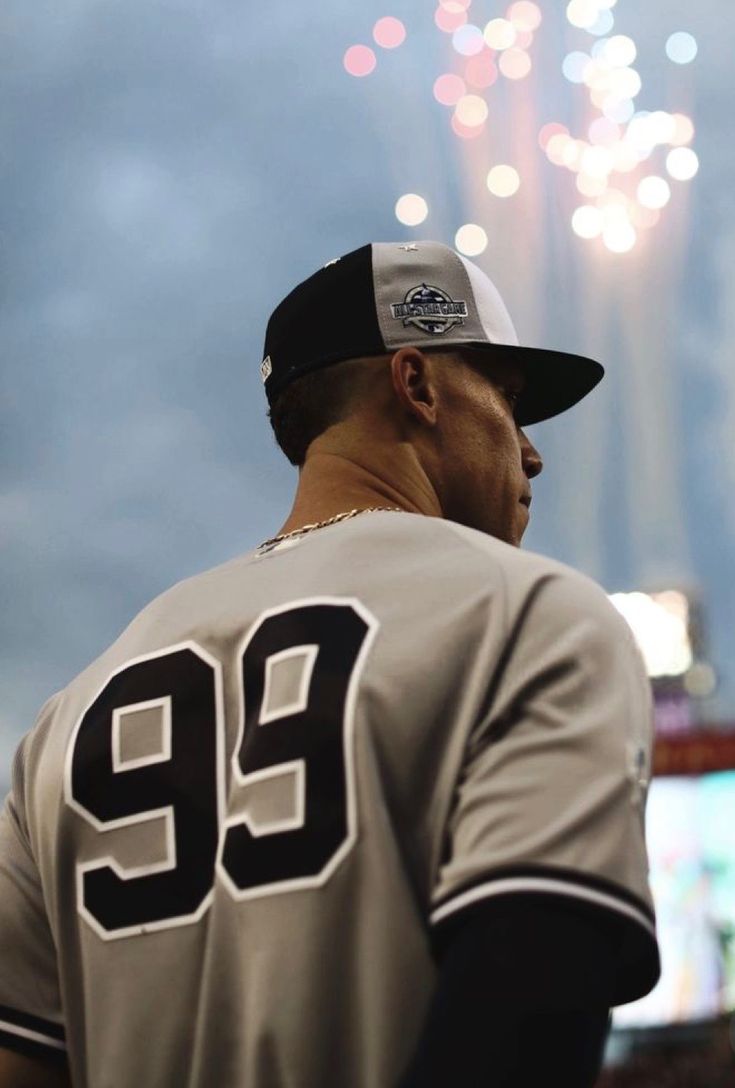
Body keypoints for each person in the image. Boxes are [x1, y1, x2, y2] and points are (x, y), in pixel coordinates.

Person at [0, 241, 661, 1087]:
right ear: (416, 384)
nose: (529, 452)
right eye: (509, 397)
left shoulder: (67, 718)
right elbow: (529, 1014)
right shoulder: (532, 614)